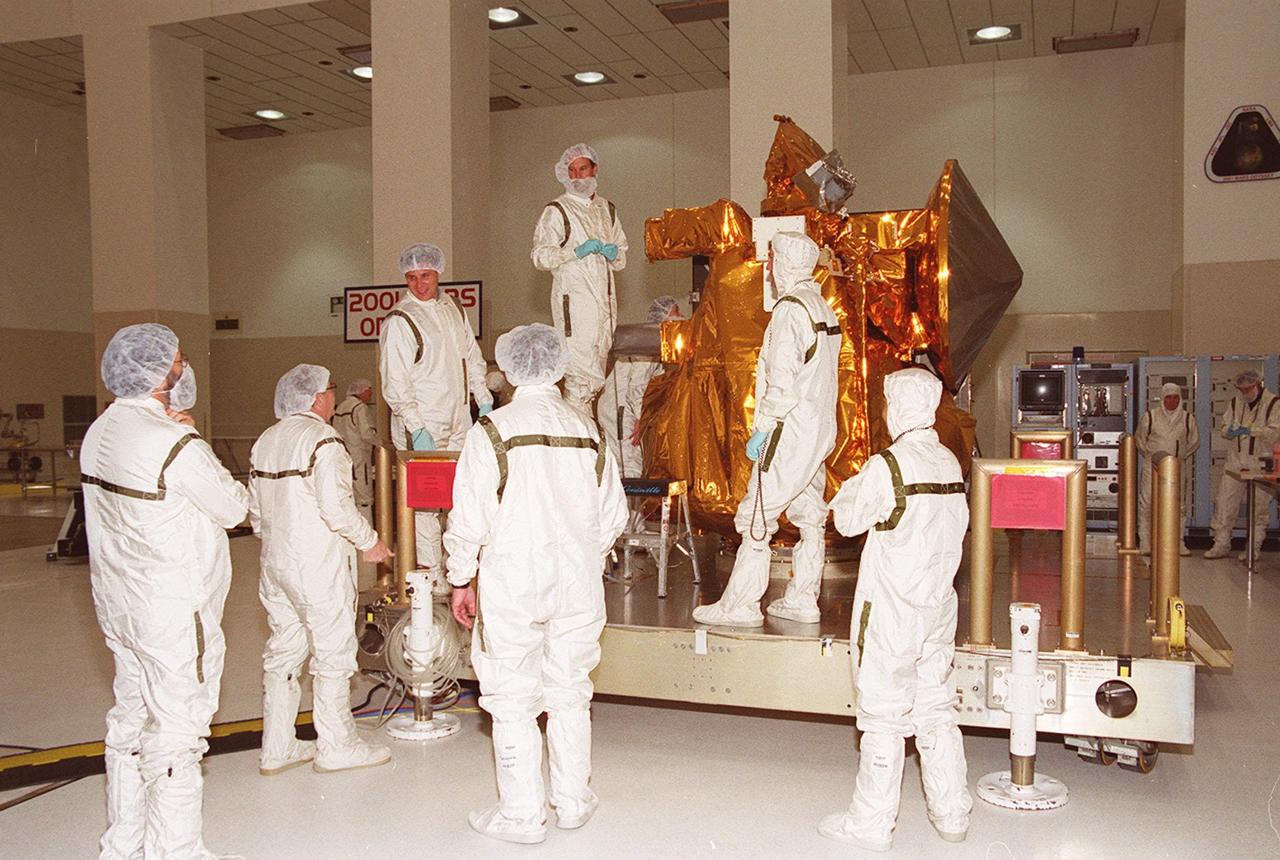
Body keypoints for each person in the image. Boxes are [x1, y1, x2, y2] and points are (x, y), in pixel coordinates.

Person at [444, 323, 627, 845]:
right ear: (559, 366)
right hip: (577, 581)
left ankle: (522, 816)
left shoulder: (492, 432)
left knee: (511, 695)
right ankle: (572, 801)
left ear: (507, 370)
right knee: (570, 690)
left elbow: (469, 520)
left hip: (513, 581)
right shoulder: (589, 432)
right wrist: (581, 556)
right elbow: (613, 515)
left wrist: (461, 579)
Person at [81, 323, 250, 859]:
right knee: (179, 724)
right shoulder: (175, 443)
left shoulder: (99, 432)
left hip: (118, 603)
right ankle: (175, 849)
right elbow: (233, 508)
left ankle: (123, 840)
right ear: (160, 375)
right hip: (172, 607)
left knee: (130, 714)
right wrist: (194, 437)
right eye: (177, 359)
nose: (182, 366)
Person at [820, 367, 971, 851]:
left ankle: (870, 825)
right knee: (935, 708)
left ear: (898, 407)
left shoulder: (889, 466)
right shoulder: (949, 461)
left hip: (893, 611)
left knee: (883, 716)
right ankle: (952, 815)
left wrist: (850, 482)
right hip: (938, 606)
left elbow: (846, 519)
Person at [249, 365, 395, 777]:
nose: (333, 397)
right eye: (330, 390)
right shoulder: (323, 440)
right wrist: (371, 542)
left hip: (275, 565)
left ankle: (276, 746)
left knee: (283, 653)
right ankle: (337, 745)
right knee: (333, 653)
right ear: (317, 398)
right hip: (316, 565)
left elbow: (256, 513)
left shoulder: (266, 441)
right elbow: (336, 508)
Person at [691, 232, 840, 626]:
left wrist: (765, 427)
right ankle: (803, 599)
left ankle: (740, 605)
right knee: (810, 517)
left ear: (787, 263)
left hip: (788, 433)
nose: (768, 268)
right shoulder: (823, 307)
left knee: (755, 516)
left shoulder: (791, 311)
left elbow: (782, 381)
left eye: (772, 259)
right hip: (817, 431)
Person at [379, 242, 494, 580]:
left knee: (461, 495)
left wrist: (482, 397)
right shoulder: (400, 320)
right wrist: (416, 427)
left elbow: (470, 357)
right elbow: (395, 382)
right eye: (412, 278)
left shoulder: (452, 309)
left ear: (438, 273)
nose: (419, 284)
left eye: (425, 275)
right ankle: (431, 579)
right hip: (422, 423)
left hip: (458, 417)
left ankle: (458, 571)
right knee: (426, 505)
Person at [531, 143, 628, 415]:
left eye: (582, 169)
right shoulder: (557, 210)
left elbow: (621, 257)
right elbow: (540, 256)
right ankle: (579, 439)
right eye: (571, 170)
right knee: (579, 381)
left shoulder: (607, 209)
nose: (577, 176)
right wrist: (574, 252)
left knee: (595, 378)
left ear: (595, 170)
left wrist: (612, 253)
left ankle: (588, 439)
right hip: (576, 307)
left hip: (605, 308)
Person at [597, 295, 682, 531]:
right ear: (664, 316)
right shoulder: (649, 342)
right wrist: (639, 419)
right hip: (621, 409)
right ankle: (627, 528)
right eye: (675, 312)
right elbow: (638, 387)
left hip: (620, 408)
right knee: (629, 468)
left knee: (624, 467)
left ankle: (629, 525)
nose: (680, 316)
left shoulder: (656, 342)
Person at [1205, 369, 1280, 560]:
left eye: (1248, 389)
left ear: (1257, 385)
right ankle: (1221, 544)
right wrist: (1228, 431)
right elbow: (1224, 427)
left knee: (1259, 509)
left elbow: (1275, 432)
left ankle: (1253, 548)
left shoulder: (1273, 404)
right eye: (1241, 389)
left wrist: (1251, 430)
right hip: (1235, 463)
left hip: (1262, 463)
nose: (1244, 393)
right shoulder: (1235, 402)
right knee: (1225, 505)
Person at [1136, 382, 1200, 556]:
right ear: (1162, 398)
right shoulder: (1150, 417)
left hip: (1178, 466)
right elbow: (1140, 440)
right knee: (1147, 502)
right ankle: (1145, 541)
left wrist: (1180, 455)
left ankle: (1178, 542)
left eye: (1175, 398)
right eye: (1168, 397)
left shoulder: (1187, 418)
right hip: (1152, 466)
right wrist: (1151, 455)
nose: (1172, 401)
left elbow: (1194, 441)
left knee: (1179, 505)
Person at [332, 378, 379, 522]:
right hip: (359, 458)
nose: (370, 395)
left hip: (342, 456)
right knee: (364, 499)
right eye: (369, 391)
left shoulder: (340, 408)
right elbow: (366, 434)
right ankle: (367, 533)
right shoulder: (359, 408)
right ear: (363, 391)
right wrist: (382, 443)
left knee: (347, 497)